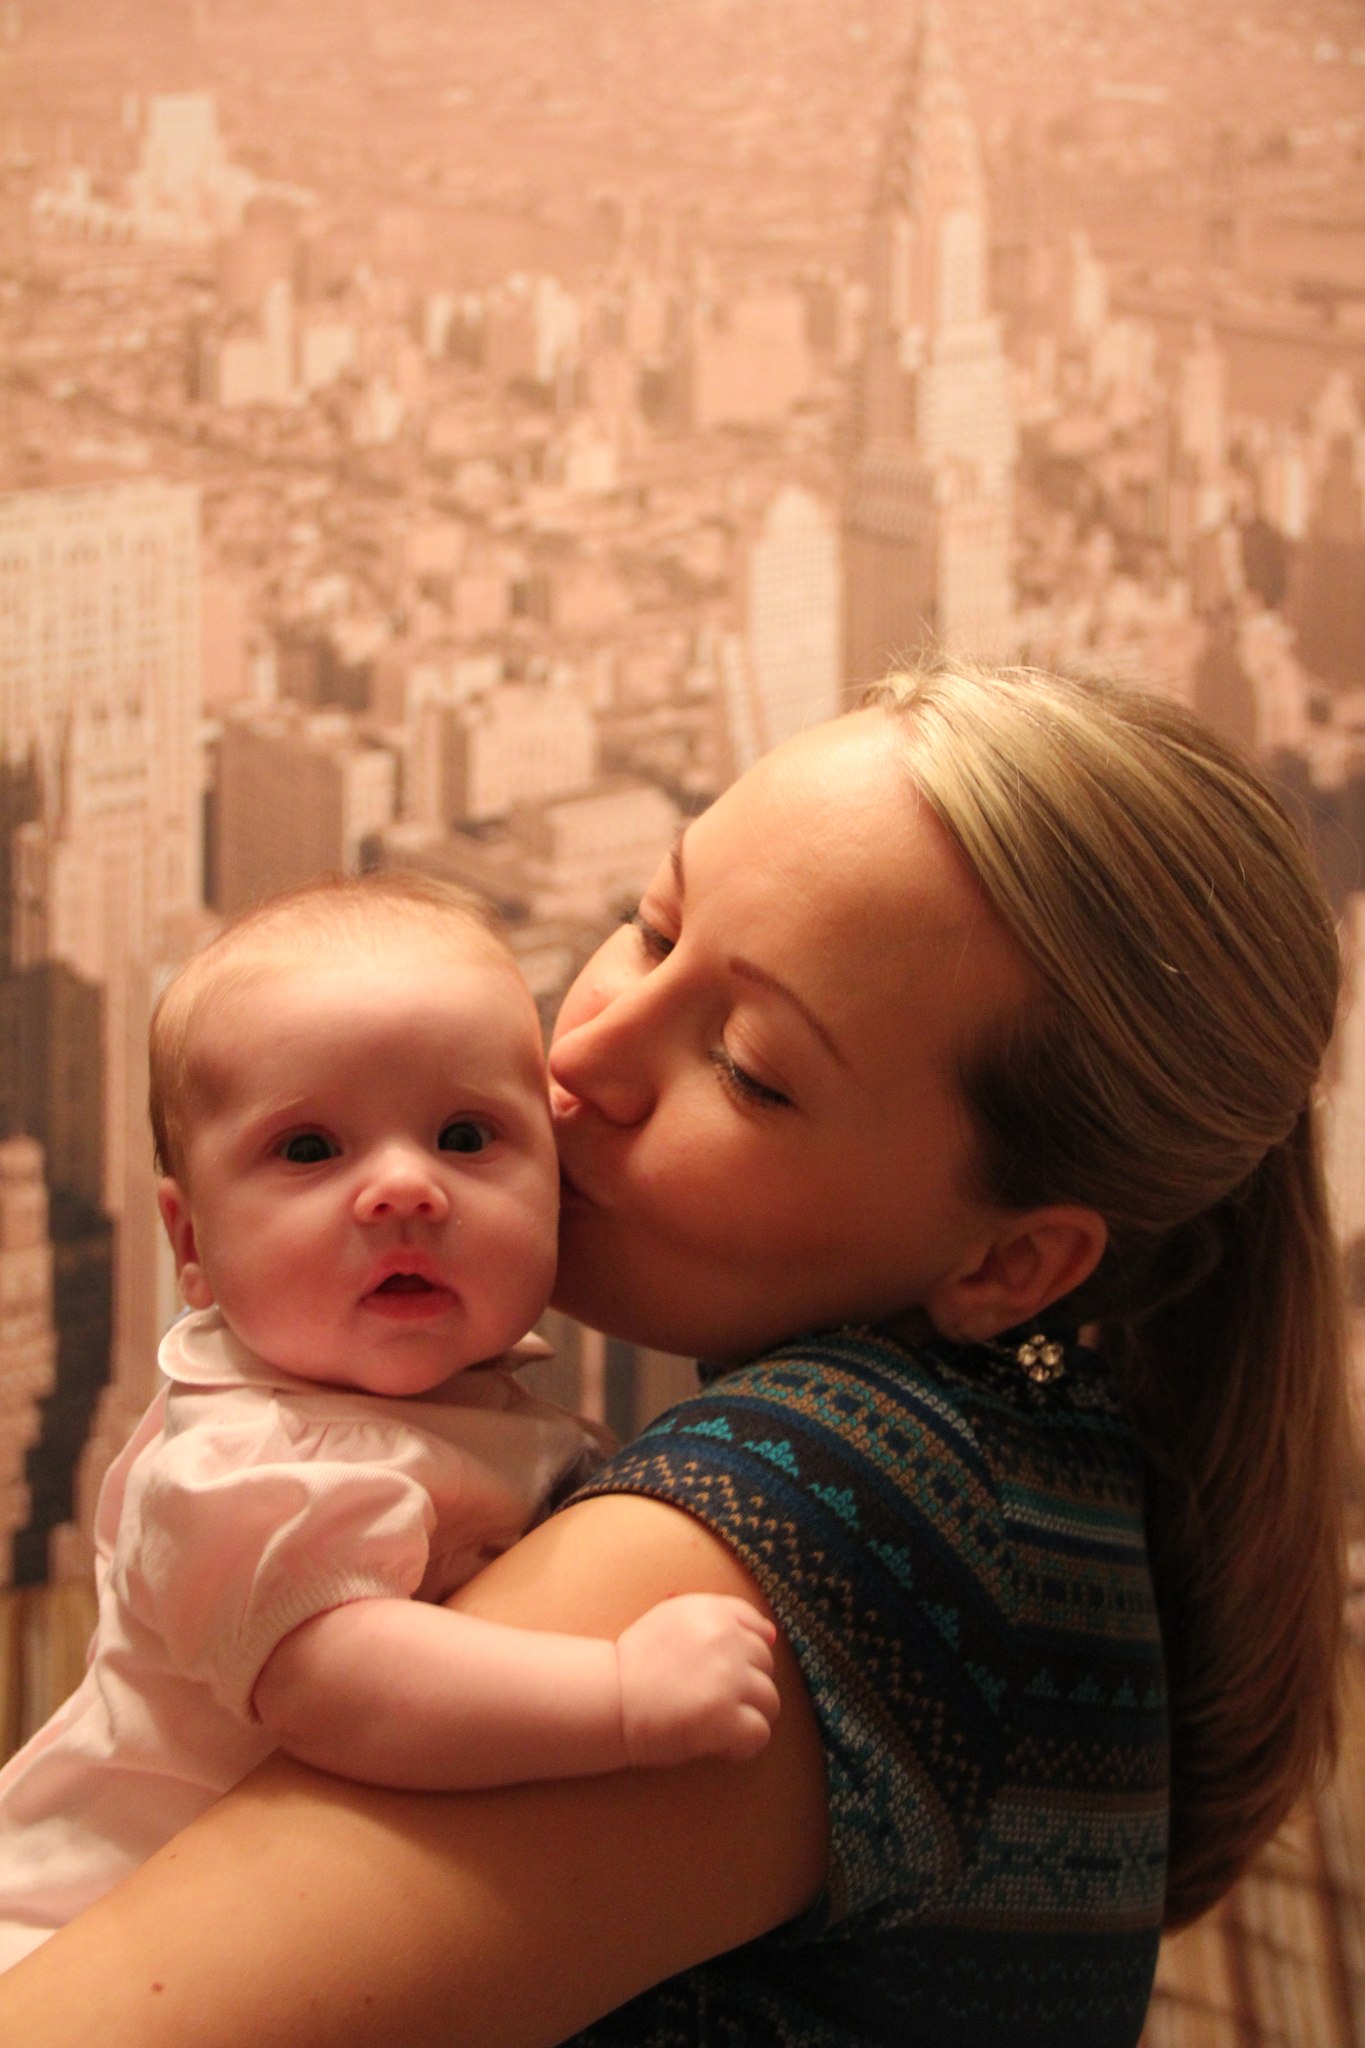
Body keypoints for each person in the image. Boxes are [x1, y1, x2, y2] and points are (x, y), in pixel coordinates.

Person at [0, 664, 1347, 2048]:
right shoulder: (1034, 1471)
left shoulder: (829, 1496)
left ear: (1011, 1263)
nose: (584, 1054)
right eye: (653, 927)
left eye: (750, 1066)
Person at [0, 875, 778, 1968]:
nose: (404, 1188)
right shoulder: (241, 1465)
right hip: (72, 1948)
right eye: (310, 1150)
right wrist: (619, 1696)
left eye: (464, 1134)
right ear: (192, 1242)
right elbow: (342, 1687)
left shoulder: (455, 1398)